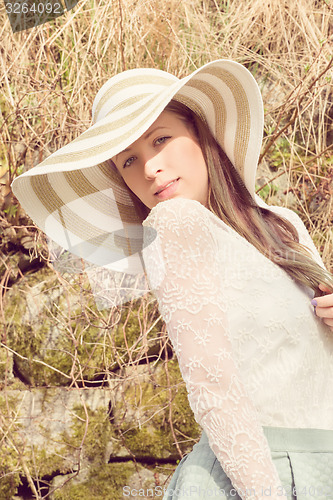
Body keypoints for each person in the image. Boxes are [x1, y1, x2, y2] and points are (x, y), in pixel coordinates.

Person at [11, 60, 333, 499]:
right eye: (129, 161)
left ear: (199, 134)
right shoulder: (175, 223)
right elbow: (212, 385)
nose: (149, 169)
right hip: (260, 476)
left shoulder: (285, 225)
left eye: (160, 139)